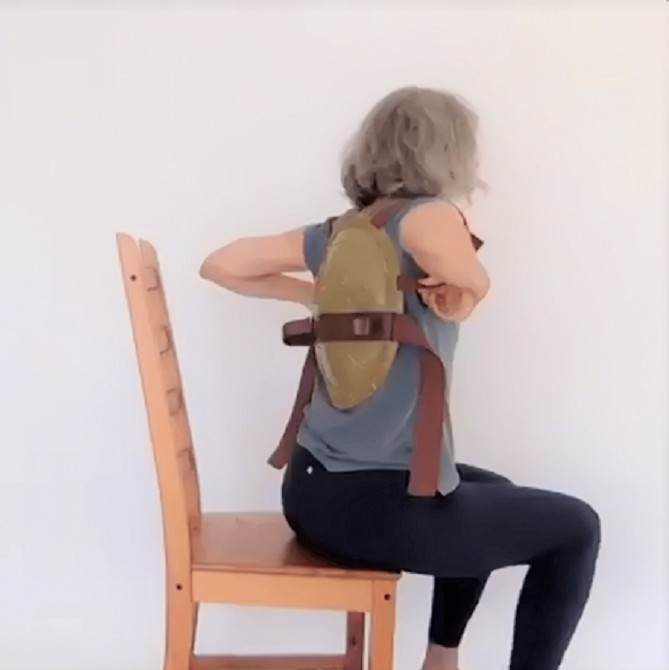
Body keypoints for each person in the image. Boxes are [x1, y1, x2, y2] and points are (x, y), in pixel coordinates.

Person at [199, 87, 600, 670]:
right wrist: (471, 288)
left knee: (493, 490)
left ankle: (440, 659)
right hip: (370, 509)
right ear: (446, 151)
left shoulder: (343, 232)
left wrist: (318, 292)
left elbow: (220, 263)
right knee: (577, 528)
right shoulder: (429, 217)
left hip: (310, 494)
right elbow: (464, 269)